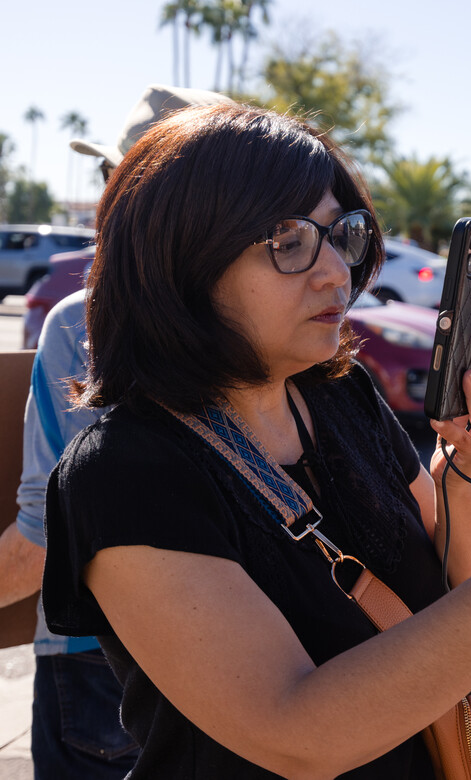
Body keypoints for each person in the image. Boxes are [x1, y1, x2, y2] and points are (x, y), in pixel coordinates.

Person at [40, 101, 471, 779]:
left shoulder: (340, 396)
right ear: (181, 263)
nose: (335, 272)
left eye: (339, 234)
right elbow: (296, 734)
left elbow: (465, 611)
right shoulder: (126, 471)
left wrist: (461, 473)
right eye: (287, 242)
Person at [1, 83, 230, 779]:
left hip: (101, 661)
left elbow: (49, 531)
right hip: (252, 651)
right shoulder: (275, 319)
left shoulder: (85, 319)